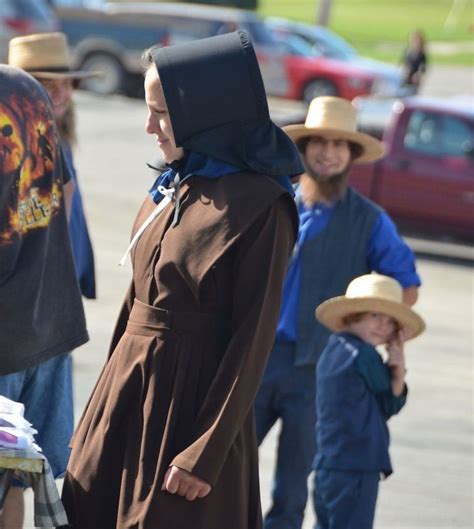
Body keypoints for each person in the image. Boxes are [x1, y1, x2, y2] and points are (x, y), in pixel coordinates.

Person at [61, 30, 302, 529]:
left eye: (163, 113)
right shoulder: (172, 188)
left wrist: (204, 453)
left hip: (188, 415)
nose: (149, 126)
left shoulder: (260, 207)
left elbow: (252, 340)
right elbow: (136, 311)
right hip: (125, 399)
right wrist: (96, 419)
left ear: (207, 112)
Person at [255, 96, 421, 529]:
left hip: (317, 372)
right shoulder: (278, 200)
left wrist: (371, 330)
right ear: (305, 146)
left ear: (351, 156)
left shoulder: (369, 220)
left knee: (290, 490)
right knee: (217, 469)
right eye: (320, 142)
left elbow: (407, 288)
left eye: (340, 145)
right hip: (256, 359)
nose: (328, 152)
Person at [0, 65, 89, 529]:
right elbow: (66, 193)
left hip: (8, 336)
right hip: (51, 315)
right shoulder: (27, 90)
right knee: (18, 479)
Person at [313, 273, 425, 529]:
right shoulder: (364, 355)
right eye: (375, 315)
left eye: (389, 322)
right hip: (356, 465)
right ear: (355, 314)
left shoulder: (334, 347)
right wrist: (398, 364)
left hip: (328, 463)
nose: (382, 326)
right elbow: (389, 404)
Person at [8, 32, 97, 299]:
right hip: (36, 289)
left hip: (61, 284)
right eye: (48, 84)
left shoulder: (59, 136)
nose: (62, 94)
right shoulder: (17, 146)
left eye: (67, 84)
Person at [401, 30, 428, 95]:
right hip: (406, 76)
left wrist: (418, 75)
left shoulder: (421, 53)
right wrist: (404, 70)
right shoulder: (408, 50)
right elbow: (403, 61)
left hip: (414, 77)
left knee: (412, 93)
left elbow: (423, 67)